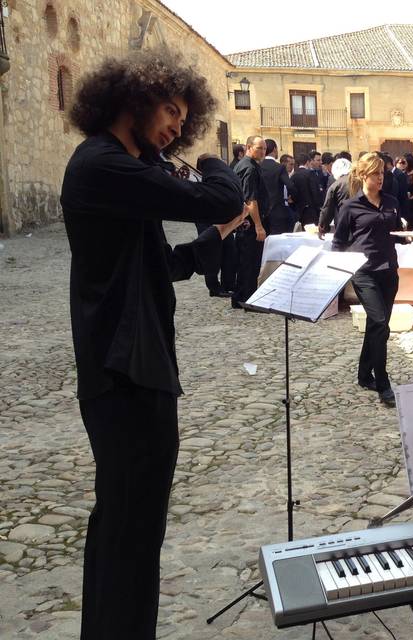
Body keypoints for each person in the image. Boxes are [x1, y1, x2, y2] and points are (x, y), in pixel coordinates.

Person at [60, 50, 245, 639]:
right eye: (170, 110)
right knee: (130, 530)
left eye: (181, 117)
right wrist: (213, 160)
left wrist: (214, 240)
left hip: (133, 367)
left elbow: (161, 264)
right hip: (124, 373)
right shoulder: (103, 164)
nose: (173, 125)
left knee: (127, 527)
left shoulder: (117, 170)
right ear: (133, 99)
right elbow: (218, 194)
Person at [332, 152, 401, 406]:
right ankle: (383, 383)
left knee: (376, 325)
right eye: (375, 174)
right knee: (381, 322)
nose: (380, 178)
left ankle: (363, 375)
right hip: (363, 272)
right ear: (363, 176)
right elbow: (338, 243)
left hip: (389, 271)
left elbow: (394, 232)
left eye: (382, 173)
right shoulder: (350, 207)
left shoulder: (392, 201)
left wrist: (406, 235)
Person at [231, 136, 269, 309]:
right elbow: (250, 199)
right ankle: (247, 299)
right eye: (259, 148)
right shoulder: (249, 168)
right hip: (250, 223)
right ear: (248, 147)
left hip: (246, 222)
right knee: (250, 262)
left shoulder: (249, 165)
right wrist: (259, 226)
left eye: (264, 149)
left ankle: (241, 298)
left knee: (246, 261)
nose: (262, 151)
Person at [261, 138, 297, 235]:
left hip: (261, 211)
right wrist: (293, 197)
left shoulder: (257, 165)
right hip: (278, 210)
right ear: (274, 149)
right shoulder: (279, 167)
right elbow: (290, 186)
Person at [318, 158, 352, 233]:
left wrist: (323, 227)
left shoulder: (336, 185)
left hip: (343, 224)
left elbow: (327, 207)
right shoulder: (361, 181)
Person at [291, 152, 324, 227]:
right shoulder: (311, 174)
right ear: (308, 162)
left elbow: (292, 191)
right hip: (311, 210)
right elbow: (315, 192)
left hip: (299, 210)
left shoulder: (294, 176)